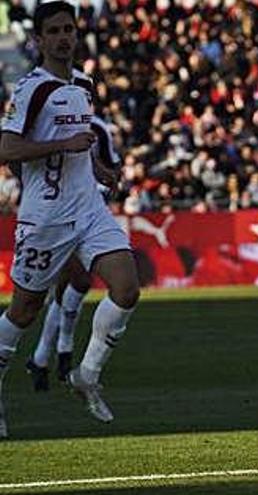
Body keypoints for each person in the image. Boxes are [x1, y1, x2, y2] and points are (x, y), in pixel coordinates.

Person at [0, 2, 140, 438]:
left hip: (88, 209)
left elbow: (83, 144)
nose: (64, 37)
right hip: (45, 215)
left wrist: (99, 169)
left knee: (127, 286)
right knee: (24, 310)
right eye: (55, 31)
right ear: (38, 39)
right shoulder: (30, 90)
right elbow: (7, 150)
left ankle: (86, 374)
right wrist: (60, 145)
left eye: (70, 29)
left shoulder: (83, 84)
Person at [25, 115, 122, 391]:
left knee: (76, 282)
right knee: (42, 295)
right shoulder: (44, 124)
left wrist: (102, 187)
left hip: (86, 214)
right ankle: (51, 354)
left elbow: (112, 167)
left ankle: (47, 356)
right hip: (51, 213)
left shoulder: (99, 128)